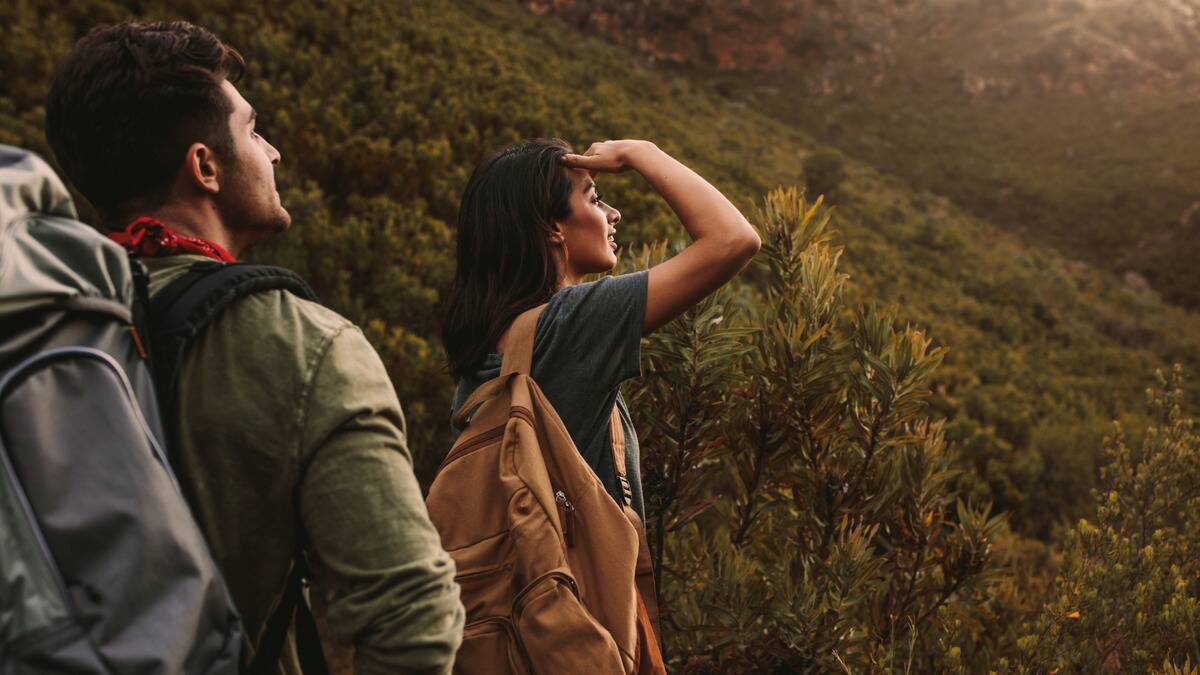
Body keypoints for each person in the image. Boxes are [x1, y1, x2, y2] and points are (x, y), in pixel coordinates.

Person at [44, 21, 463, 674]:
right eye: (252, 130)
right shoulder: (303, 346)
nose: (273, 153)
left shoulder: (42, 318)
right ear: (204, 167)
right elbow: (414, 617)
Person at [441, 136, 759, 629]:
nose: (613, 214)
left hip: (512, 620)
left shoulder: (491, 346)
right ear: (551, 227)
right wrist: (641, 153)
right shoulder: (569, 324)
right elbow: (734, 240)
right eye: (593, 198)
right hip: (577, 623)